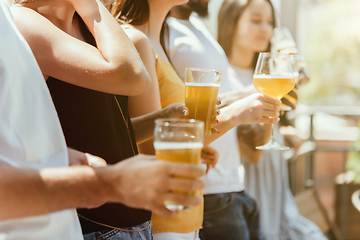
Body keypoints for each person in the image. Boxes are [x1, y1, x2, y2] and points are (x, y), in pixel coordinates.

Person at [8, 0, 206, 239]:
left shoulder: (86, 24)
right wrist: (92, 7)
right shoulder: (23, 20)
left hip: (135, 222)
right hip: (92, 225)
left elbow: (106, 132)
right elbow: (132, 76)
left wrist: (164, 118)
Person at [108, 0, 281, 239]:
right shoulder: (136, 40)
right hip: (165, 213)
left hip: (187, 210)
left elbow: (160, 136)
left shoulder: (157, 41)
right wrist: (235, 114)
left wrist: (196, 148)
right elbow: (150, 148)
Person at [218, 0, 328, 239]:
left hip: (275, 173)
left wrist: (283, 130)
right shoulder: (222, 74)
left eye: (270, 22)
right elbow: (251, 150)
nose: (266, 29)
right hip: (246, 177)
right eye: (256, 20)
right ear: (231, 22)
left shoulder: (270, 72)